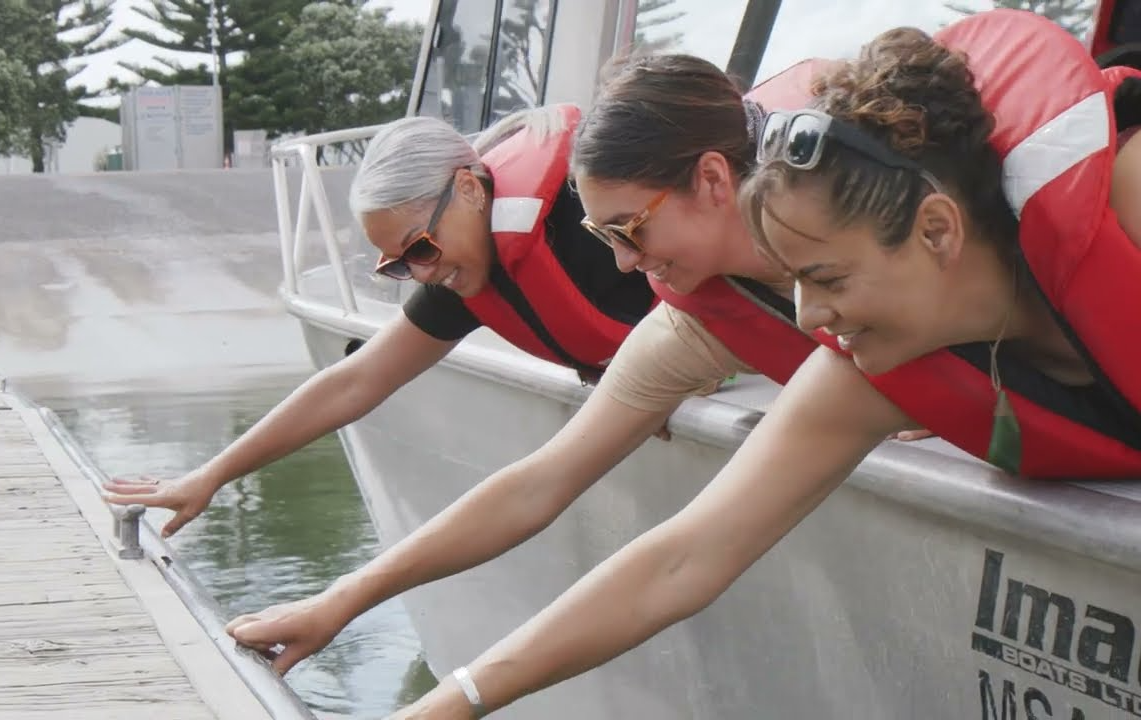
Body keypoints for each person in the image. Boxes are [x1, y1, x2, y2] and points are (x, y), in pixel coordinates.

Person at [384, 12, 1141, 719]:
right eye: (793, 280)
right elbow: (682, 559)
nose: (809, 319)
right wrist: (453, 701)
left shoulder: (1127, 203)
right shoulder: (863, 370)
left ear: (937, 230)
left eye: (830, 278)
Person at [219, 53, 927, 676]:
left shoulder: (919, 242)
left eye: (628, 230)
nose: (623, 263)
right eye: (599, 235)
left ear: (714, 179)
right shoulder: (692, 318)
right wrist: (341, 602)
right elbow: (539, 484)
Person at [101, 105, 657, 536]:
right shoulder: (465, 270)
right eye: (399, 264)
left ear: (469, 187)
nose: (421, 273)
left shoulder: (596, 214)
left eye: (419, 248)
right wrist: (209, 476)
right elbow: (354, 382)